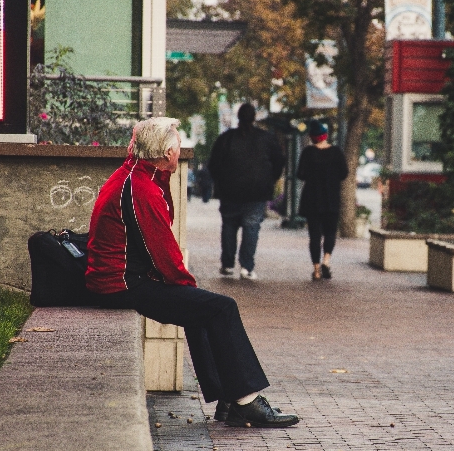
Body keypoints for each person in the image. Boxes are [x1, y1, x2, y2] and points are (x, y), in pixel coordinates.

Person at [85, 117, 298, 428]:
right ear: (167, 153)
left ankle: (230, 400)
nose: (180, 151)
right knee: (219, 307)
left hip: (120, 278)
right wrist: (189, 288)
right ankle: (246, 402)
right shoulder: (141, 188)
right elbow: (164, 251)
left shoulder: (137, 174)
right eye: (177, 146)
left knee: (202, 308)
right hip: (121, 283)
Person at [207, 103, 285, 280]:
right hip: (257, 191)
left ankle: (227, 264)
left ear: (238, 118)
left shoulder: (226, 139)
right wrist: (269, 179)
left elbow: (214, 164)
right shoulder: (266, 139)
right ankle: (247, 266)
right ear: (254, 118)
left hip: (230, 191)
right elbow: (279, 162)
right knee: (251, 227)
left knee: (229, 226)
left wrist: (222, 181)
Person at [297, 120, 348, 280]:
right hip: (331, 198)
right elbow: (344, 173)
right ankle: (326, 260)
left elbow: (300, 174)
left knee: (314, 235)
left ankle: (317, 270)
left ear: (312, 137)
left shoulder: (308, 152)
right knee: (330, 232)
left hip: (312, 199)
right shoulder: (337, 152)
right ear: (325, 136)